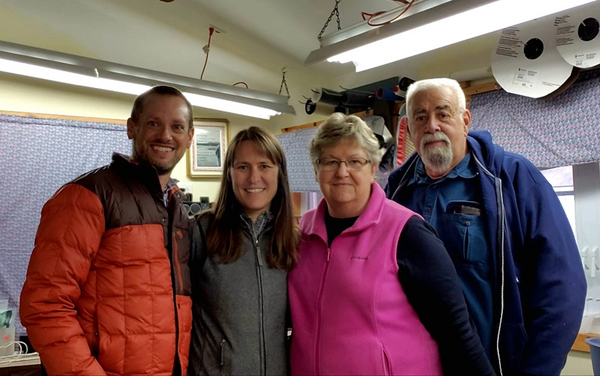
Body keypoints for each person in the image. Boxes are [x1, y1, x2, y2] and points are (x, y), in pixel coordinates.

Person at [386, 78, 587, 375]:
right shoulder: (396, 191)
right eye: (420, 117)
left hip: (493, 365)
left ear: (465, 120)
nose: (432, 126)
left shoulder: (513, 178)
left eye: (443, 114)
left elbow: (562, 288)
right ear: (410, 129)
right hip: (412, 365)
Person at [288, 113, 494, 376]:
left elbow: (457, 331)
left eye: (355, 161)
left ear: (373, 168)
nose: (342, 172)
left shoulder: (407, 232)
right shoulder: (301, 234)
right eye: (330, 161)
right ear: (316, 168)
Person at [20, 86, 195, 375]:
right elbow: (45, 306)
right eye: (153, 123)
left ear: (189, 136)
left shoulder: (177, 210)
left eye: (176, 126)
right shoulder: (87, 196)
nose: (165, 135)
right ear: (131, 128)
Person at [188, 126, 298, 375]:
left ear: (279, 174)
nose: (253, 178)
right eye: (242, 167)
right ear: (229, 174)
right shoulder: (201, 232)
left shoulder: (293, 240)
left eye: (264, 166)